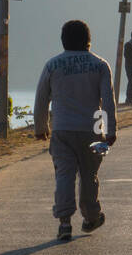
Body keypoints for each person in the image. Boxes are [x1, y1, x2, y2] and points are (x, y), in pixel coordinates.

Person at [35, 19, 118, 242]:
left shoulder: (52, 65)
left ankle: (64, 223)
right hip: (92, 128)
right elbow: (108, 101)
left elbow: (41, 98)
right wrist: (110, 130)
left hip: (62, 128)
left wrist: (41, 127)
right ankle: (91, 217)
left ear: (63, 40)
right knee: (89, 175)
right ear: (88, 40)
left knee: (64, 175)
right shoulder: (100, 65)